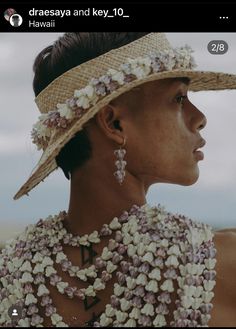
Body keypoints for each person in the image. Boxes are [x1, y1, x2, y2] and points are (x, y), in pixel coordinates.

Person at [0, 32, 236, 327]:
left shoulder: (11, 274)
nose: (199, 117)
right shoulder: (218, 263)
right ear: (114, 123)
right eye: (178, 98)